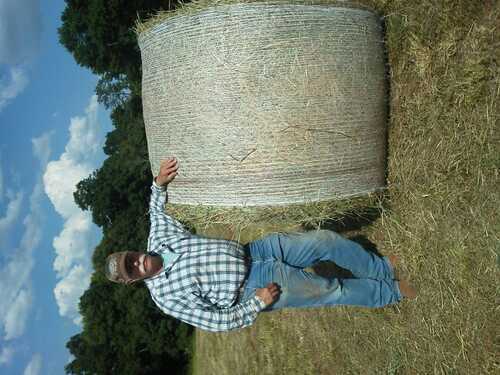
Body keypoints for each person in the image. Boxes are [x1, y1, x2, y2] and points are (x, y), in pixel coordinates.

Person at [105, 158, 416, 332]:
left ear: (132, 251)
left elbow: (156, 208)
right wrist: (256, 303)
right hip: (257, 285)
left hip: (258, 250)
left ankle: (382, 268)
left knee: (325, 240)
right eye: (131, 269)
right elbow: (215, 321)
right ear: (134, 280)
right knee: (329, 289)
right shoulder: (165, 297)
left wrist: (158, 182)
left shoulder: (158, 238)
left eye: (130, 258)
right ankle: (392, 292)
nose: (136, 262)